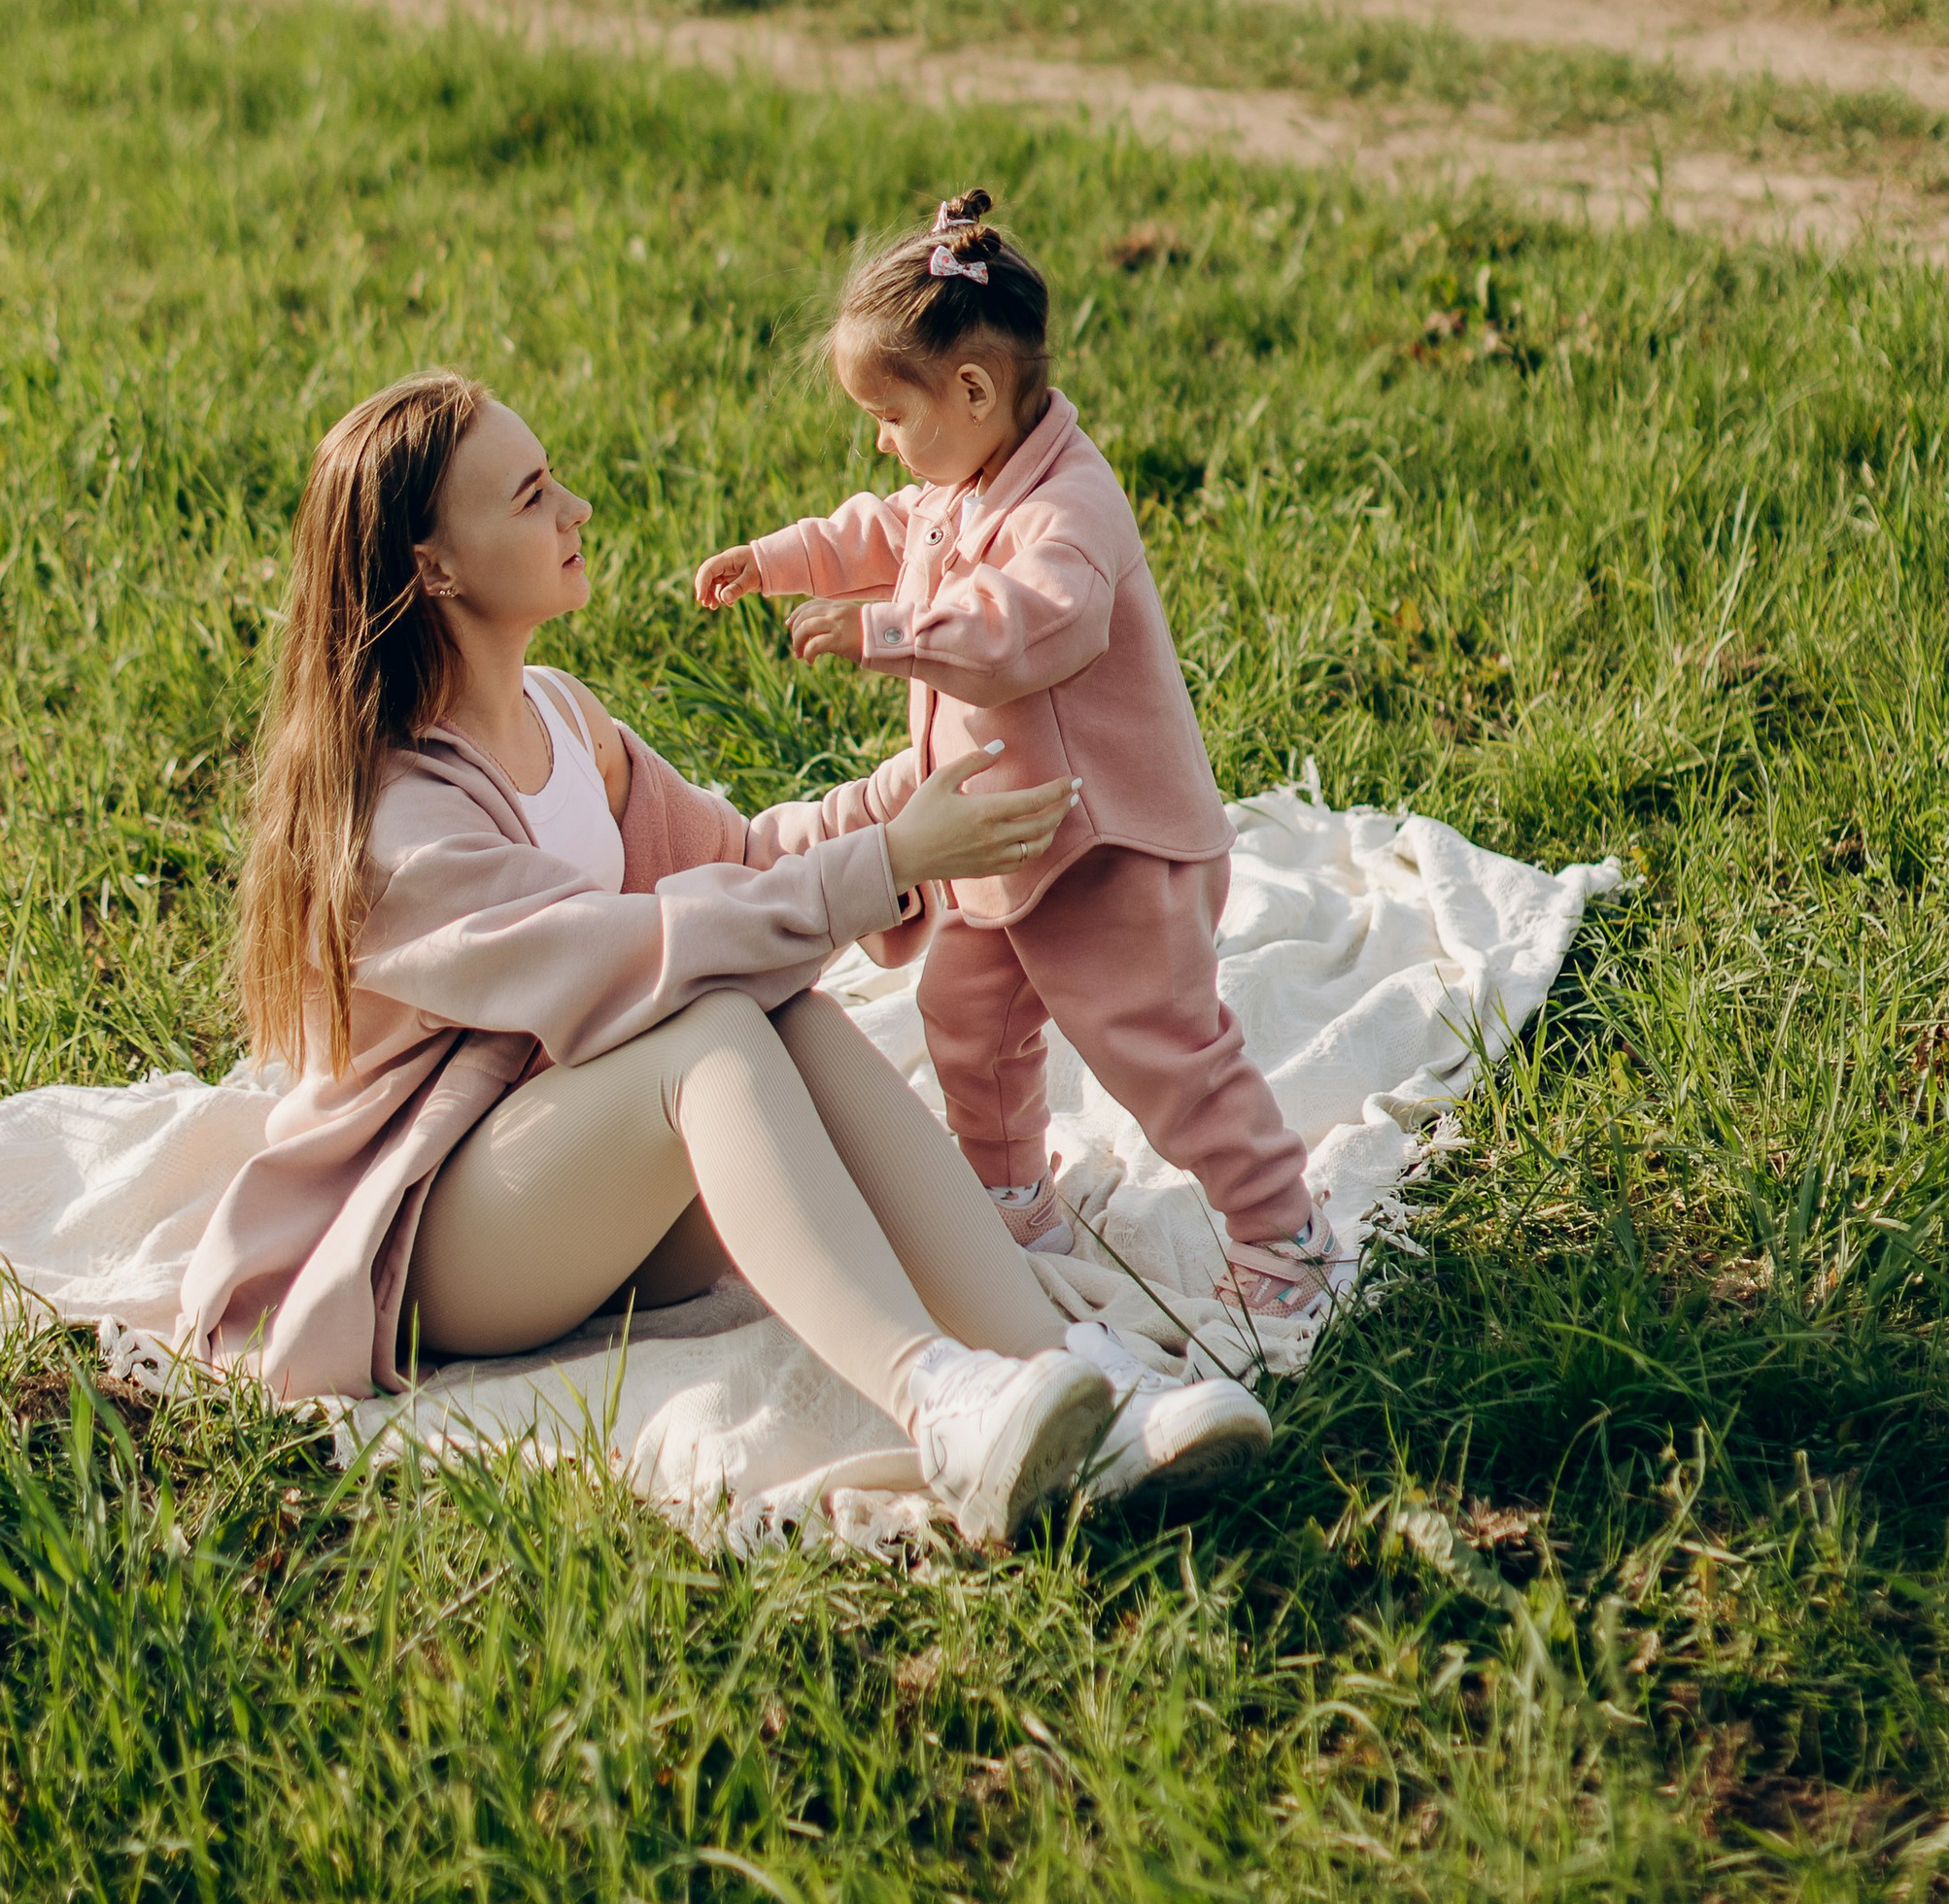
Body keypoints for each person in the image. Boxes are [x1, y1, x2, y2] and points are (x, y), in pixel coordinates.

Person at [176, 369, 1273, 1544]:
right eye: (534, 495)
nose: (577, 510)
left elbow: (734, 858)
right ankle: (935, 1399)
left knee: (784, 1009)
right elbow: (627, 958)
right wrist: (883, 862)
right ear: (432, 565)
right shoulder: (394, 824)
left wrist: (913, 802)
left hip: (602, 1187)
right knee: (703, 1028)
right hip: (448, 1234)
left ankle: (1071, 1379)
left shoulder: (561, 715)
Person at [697, 190, 1330, 1324]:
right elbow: (891, 527)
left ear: (974, 391)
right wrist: (782, 558)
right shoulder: (963, 478)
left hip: (1107, 848)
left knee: (1160, 1052)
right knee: (967, 1015)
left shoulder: (1069, 512)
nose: (882, 443)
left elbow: (1025, 629)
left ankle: (1283, 1227)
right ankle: (1007, 1196)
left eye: (890, 417)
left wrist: (886, 631)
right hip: (1006, 840)